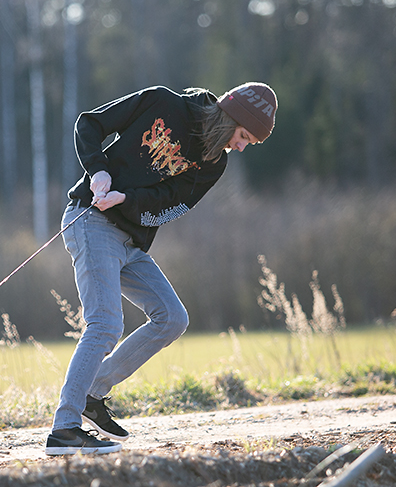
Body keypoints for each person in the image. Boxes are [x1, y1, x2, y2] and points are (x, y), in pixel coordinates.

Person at [44, 82, 277, 456]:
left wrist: (127, 198)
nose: (241, 146)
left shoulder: (214, 163)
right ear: (230, 118)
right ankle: (65, 429)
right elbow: (89, 125)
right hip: (92, 222)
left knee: (172, 318)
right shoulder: (162, 102)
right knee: (105, 323)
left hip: (130, 240)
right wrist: (98, 171)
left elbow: (170, 202)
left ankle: (92, 391)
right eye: (243, 135)